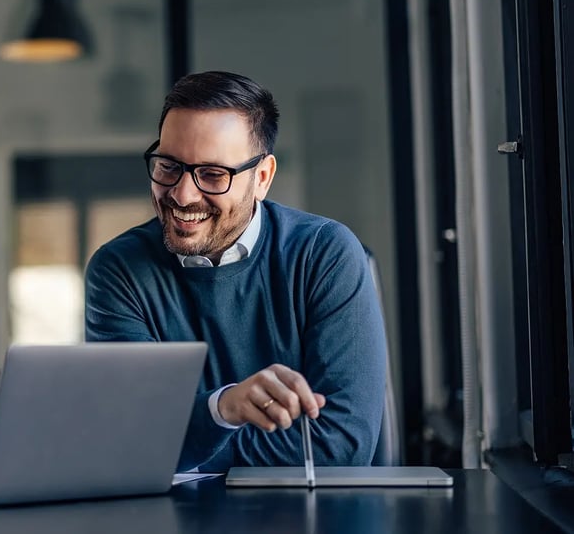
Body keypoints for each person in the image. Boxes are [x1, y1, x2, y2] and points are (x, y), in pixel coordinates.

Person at [85, 71, 387, 473]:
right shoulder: (118, 270)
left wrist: (189, 441)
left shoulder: (326, 254)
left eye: (212, 174)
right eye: (168, 166)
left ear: (261, 178)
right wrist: (222, 409)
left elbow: (341, 445)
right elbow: (135, 440)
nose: (181, 194)